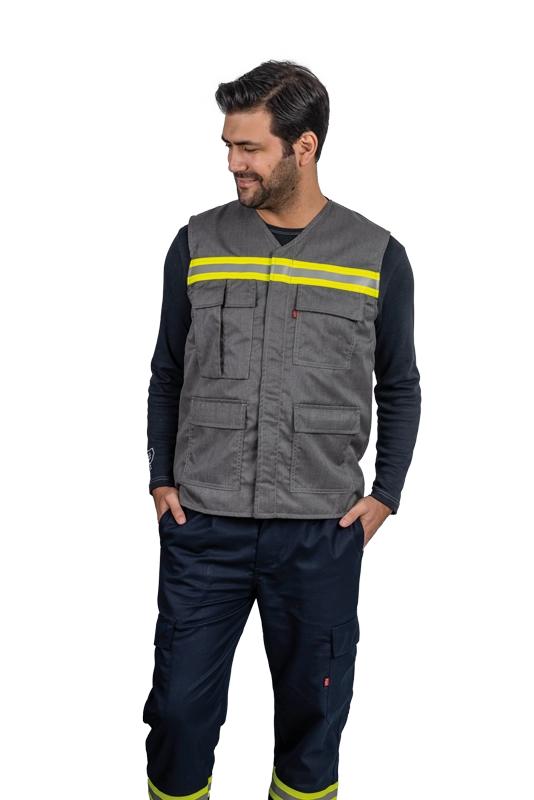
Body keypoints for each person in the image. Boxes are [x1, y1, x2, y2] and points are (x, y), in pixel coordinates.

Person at [143, 59, 421, 800]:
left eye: (251, 148)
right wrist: (161, 478)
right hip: (205, 525)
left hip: (320, 531)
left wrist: (386, 494)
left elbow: (399, 383)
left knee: (314, 717)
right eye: (229, 147)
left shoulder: (376, 255)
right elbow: (168, 370)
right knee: (177, 714)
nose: (234, 163)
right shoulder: (198, 242)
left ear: (304, 146)